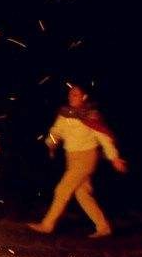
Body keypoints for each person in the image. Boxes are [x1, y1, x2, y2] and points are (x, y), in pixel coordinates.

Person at [27, 82, 128, 238]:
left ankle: (47, 224)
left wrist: (114, 157)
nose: (71, 96)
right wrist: (51, 143)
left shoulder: (90, 115)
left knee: (62, 189)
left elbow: (104, 138)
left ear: (84, 97)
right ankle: (104, 227)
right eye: (70, 94)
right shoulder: (64, 113)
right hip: (71, 158)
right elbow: (56, 131)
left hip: (87, 157)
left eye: (75, 94)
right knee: (82, 194)